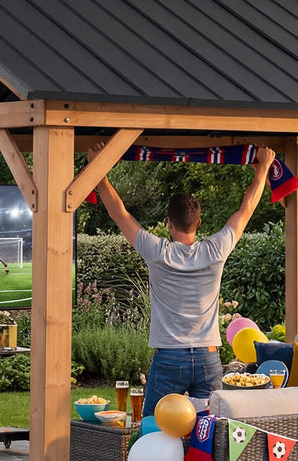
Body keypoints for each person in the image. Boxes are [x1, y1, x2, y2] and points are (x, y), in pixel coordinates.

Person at [93, 143, 276, 414]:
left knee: (154, 425)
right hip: (208, 357)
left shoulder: (157, 251)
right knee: (210, 431)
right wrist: (262, 170)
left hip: (169, 358)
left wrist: (99, 172)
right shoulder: (216, 249)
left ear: (168, 222)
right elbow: (246, 210)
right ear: (199, 222)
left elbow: (119, 213)